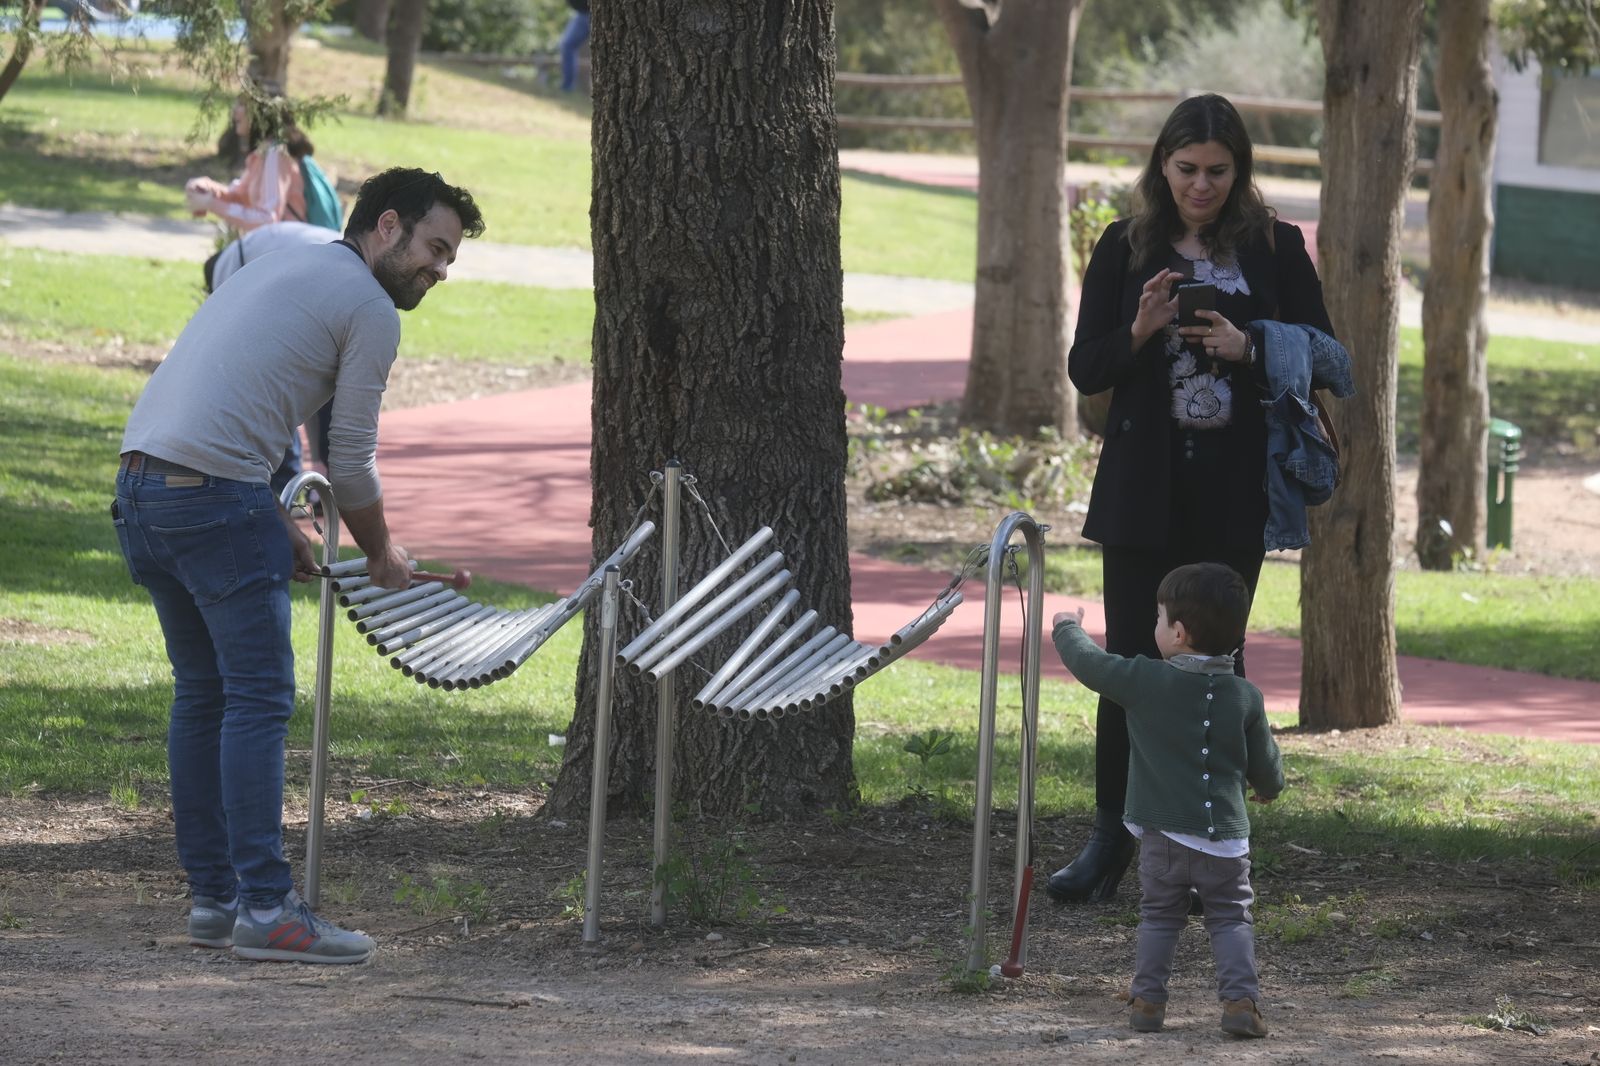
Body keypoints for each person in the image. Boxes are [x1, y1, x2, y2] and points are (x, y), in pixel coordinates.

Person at [113, 168, 486, 964]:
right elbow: (349, 464)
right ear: (387, 226)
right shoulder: (369, 307)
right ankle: (269, 911)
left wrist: (277, 506)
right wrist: (381, 550)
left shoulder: (287, 262)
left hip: (140, 488)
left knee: (205, 694)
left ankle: (213, 901)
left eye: (449, 258)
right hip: (214, 496)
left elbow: (252, 392)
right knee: (256, 697)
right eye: (435, 248)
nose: (440, 269)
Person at [1045, 93, 1333, 905]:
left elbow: (1325, 354)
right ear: (1161, 167)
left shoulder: (1276, 247)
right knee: (1132, 665)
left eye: (1216, 171)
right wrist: (1139, 330)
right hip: (1142, 493)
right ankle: (1112, 840)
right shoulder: (1122, 246)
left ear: (1238, 171)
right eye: (1185, 170)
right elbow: (1086, 368)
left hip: (1233, 494)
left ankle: (1213, 849)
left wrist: (1254, 346)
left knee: (1216, 669)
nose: (1200, 186)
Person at [1051, 563, 1284, 1039]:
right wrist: (1269, 788)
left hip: (1161, 838)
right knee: (1231, 917)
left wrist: (1066, 626)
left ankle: (1148, 1001)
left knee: (1159, 916)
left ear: (1177, 633)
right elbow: (1265, 764)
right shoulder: (1245, 696)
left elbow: (1090, 664)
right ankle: (1240, 1001)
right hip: (1225, 845)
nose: (1155, 628)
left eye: (1158, 620)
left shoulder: (1144, 681)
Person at [185, 92, 313, 234]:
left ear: (261, 112)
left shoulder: (275, 153)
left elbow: (268, 219)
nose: (234, 110)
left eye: (242, 105)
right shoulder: (262, 153)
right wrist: (207, 187)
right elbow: (240, 197)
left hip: (287, 248)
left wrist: (211, 203)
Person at [558, 0, 591, 93]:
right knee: (567, 45)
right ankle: (567, 88)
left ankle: (567, 87)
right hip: (583, 13)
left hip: (592, 13)